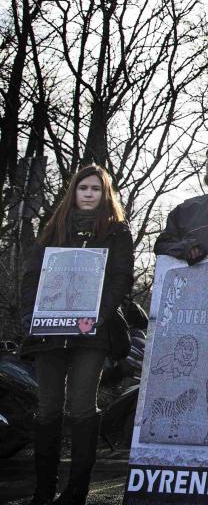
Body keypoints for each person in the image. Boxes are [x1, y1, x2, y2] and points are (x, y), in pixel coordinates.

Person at [19, 164, 135, 505]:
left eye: (96, 189)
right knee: (48, 409)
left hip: (91, 333)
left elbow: (121, 279)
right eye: (83, 188)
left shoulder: (116, 231)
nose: (88, 194)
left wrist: (96, 317)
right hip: (49, 332)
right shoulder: (54, 227)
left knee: (83, 407)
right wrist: (30, 316)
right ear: (74, 192)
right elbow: (31, 277)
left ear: (105, 194)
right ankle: (43, 491)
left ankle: (75, 492)